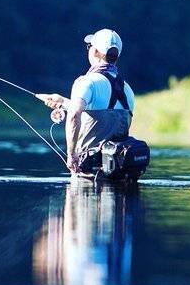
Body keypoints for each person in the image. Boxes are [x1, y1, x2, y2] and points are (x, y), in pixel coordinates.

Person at [36, 28, 136, 175]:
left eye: (89, 46)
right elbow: (102, 109)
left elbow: (75, 114)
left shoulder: (86, 82)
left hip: (89, 172)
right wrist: (63, 102)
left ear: (95, 52)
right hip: (120, 173)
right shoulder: (128, 90)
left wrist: (71, 156)